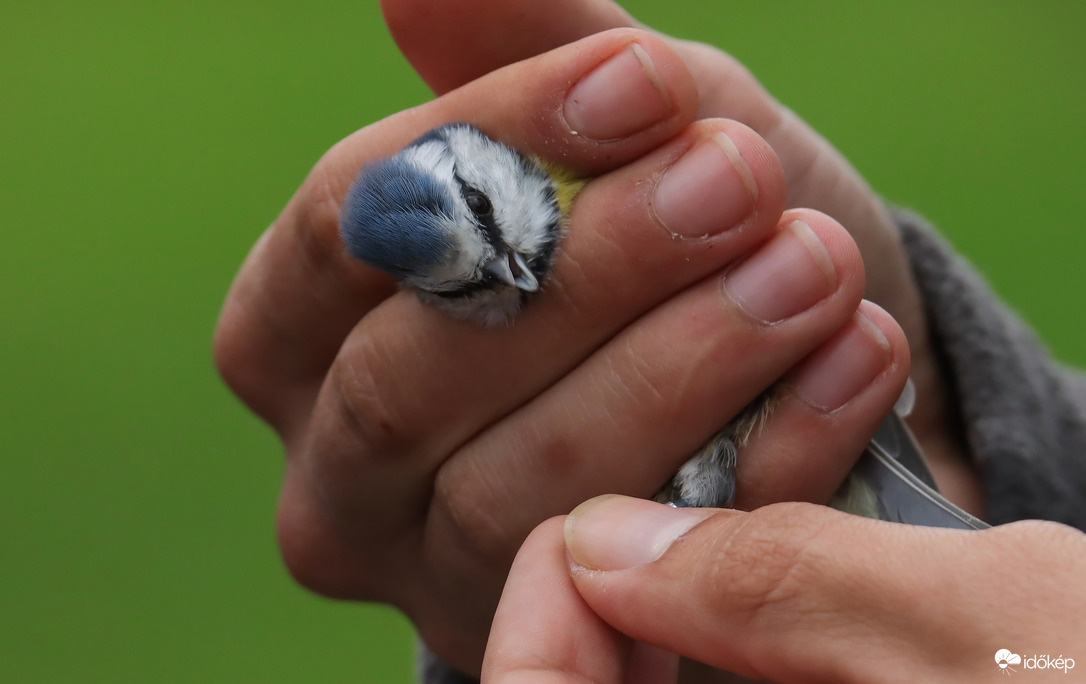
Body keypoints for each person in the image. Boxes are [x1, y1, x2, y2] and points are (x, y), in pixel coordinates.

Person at [212, 1, 1086, 681]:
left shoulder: (580, 153)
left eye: (486, 223)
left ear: (475, 165)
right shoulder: (476, 305)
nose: (512, 275)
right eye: (466, 286)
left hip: (827, 386)